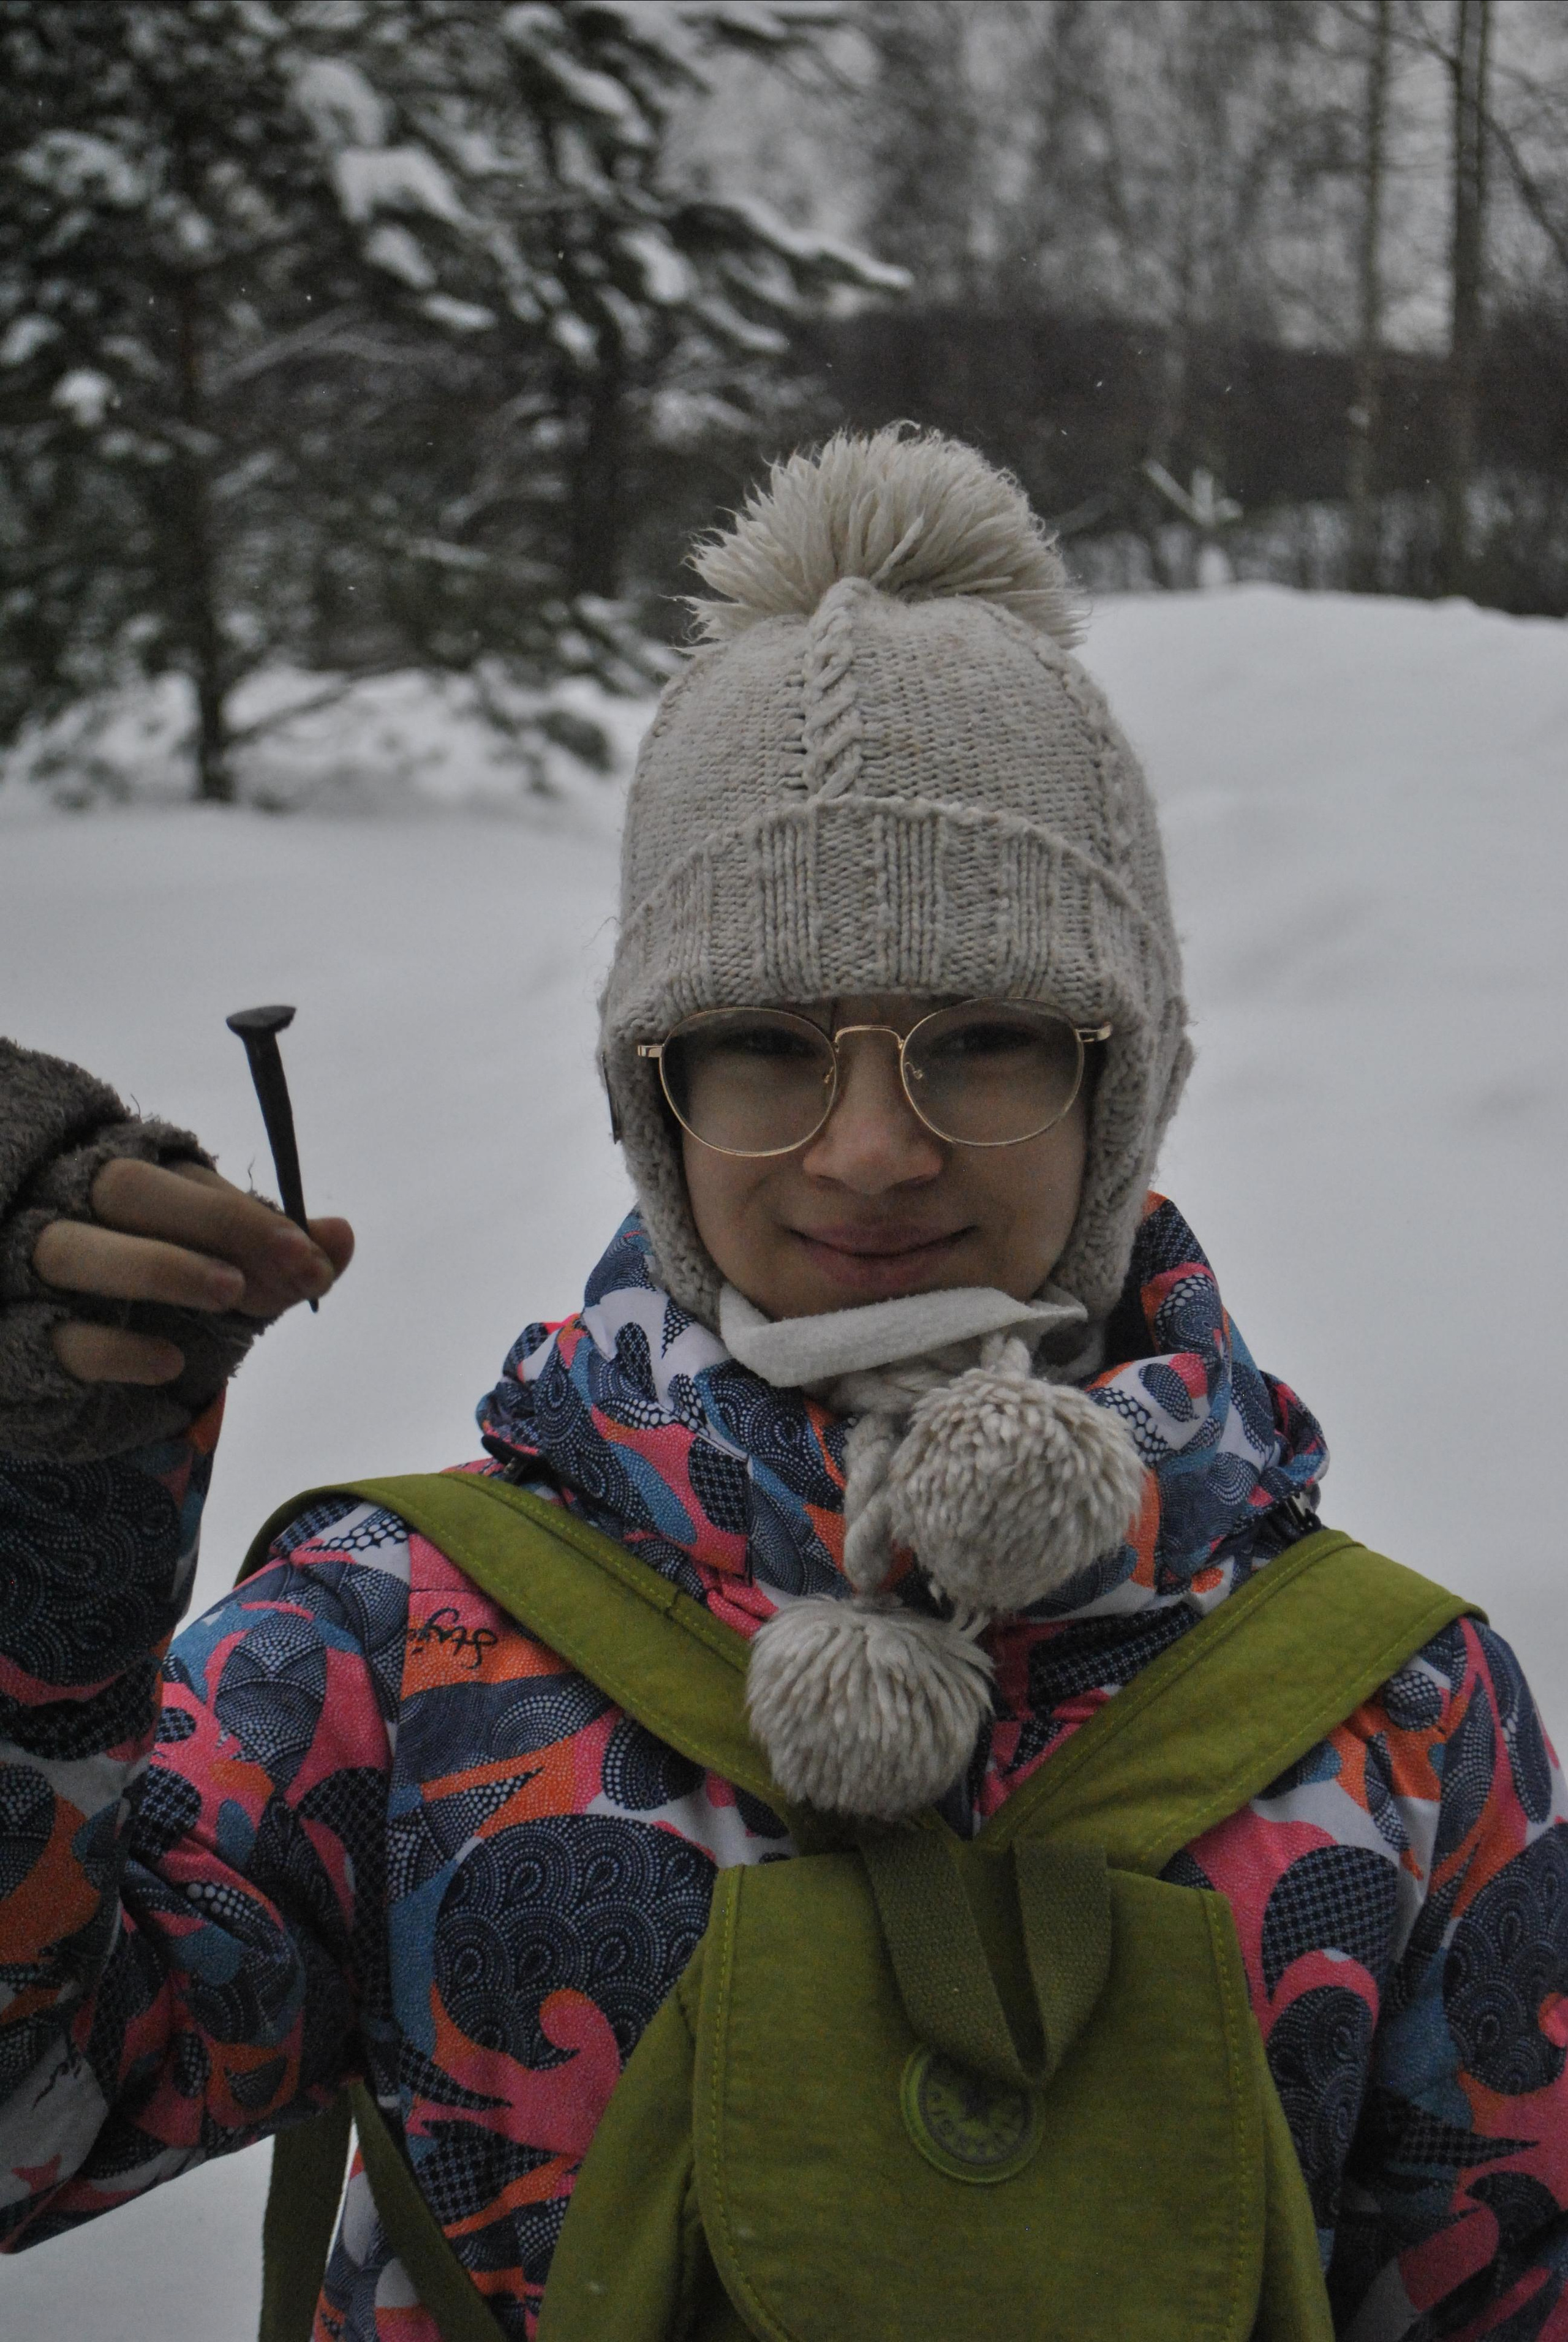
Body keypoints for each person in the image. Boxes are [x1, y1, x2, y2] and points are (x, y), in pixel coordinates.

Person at [1, 427, 1565, 2341]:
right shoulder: (390, 1653)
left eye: (984, 1039)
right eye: (759, 1043)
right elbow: (30, 2129)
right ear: (648, 1102)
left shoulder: (1414, 1720)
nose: (871, 1151)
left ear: (1128, 1079)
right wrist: (45, 1545)